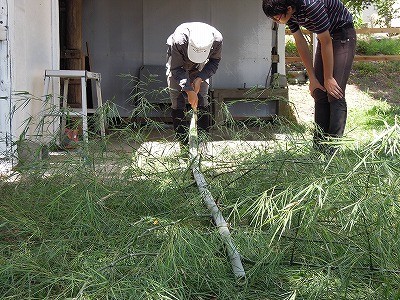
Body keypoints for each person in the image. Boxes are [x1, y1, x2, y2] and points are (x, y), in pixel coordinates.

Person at [262, 0, 356, 154]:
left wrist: (329, 78)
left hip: (342, 35)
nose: (275, 21)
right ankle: (318, 149)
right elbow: (300, 42)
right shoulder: (289, 13)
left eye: (277, 18)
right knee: (319, 92)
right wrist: (312, 78)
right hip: (325, 38)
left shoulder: (311, 6)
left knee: (334, 92)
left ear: (289, 8)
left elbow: (326, 41)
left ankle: (332, 152)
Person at [166, 22, 223, 146]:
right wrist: (188, 89)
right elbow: (176, 69)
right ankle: (183, 143)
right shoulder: (179, 40)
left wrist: (200, 78)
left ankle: (203, 140)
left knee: (202, 98)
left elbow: (214, 62)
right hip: (179, 63)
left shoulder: (217, 40)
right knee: (176, 98)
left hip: (202, 66)